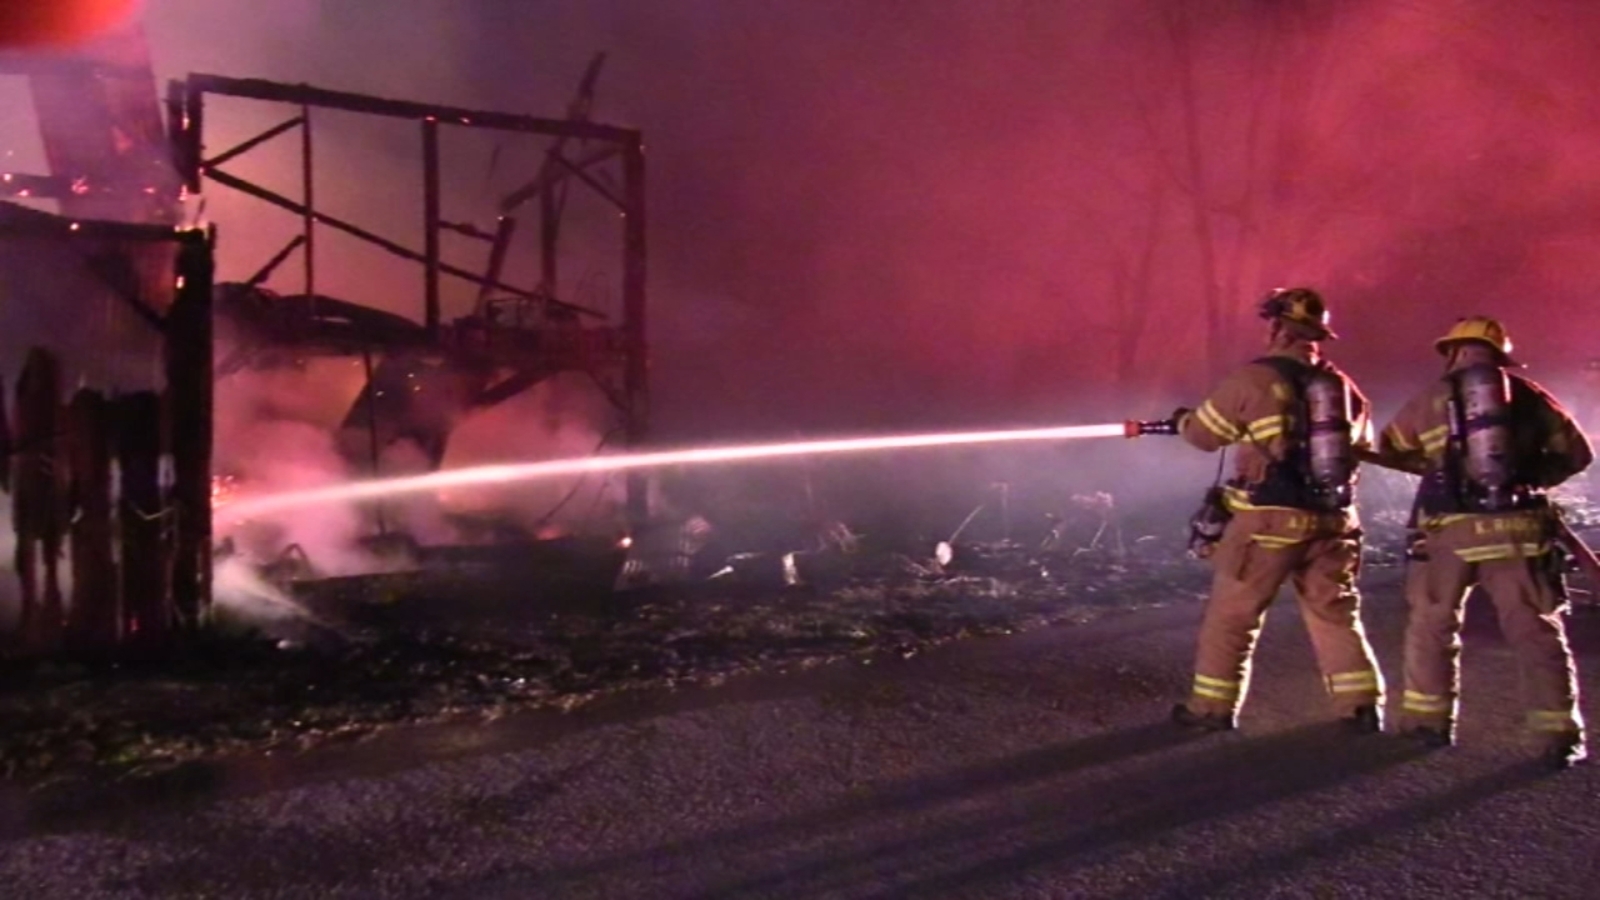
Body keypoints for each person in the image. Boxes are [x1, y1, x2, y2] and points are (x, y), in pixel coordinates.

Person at [1167, 288, 1385, 733]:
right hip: (1333, 520)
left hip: (1269, 523)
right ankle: (1361, 707)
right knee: (1336, 615)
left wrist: (1182, 421)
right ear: (1316, 335)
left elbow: (1204, 437)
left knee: (1234, 617)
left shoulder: (1254, 379)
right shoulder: (1343, 387)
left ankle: (1210, 710)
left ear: (1276, 327)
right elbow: (1363, 449)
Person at [1377, 316, 1592, 769]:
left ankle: (1427, 724)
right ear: (1499, 356)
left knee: (1432, 625)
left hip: (1450, 532)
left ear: (1453, 352)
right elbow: (1579, 454)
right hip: (1519, 530)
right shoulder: (1532, 397)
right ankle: (1558, 735)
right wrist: (1535, 479)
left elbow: (1391, 445)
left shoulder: (1430, 399)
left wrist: (1439, 467)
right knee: (1536, 631)